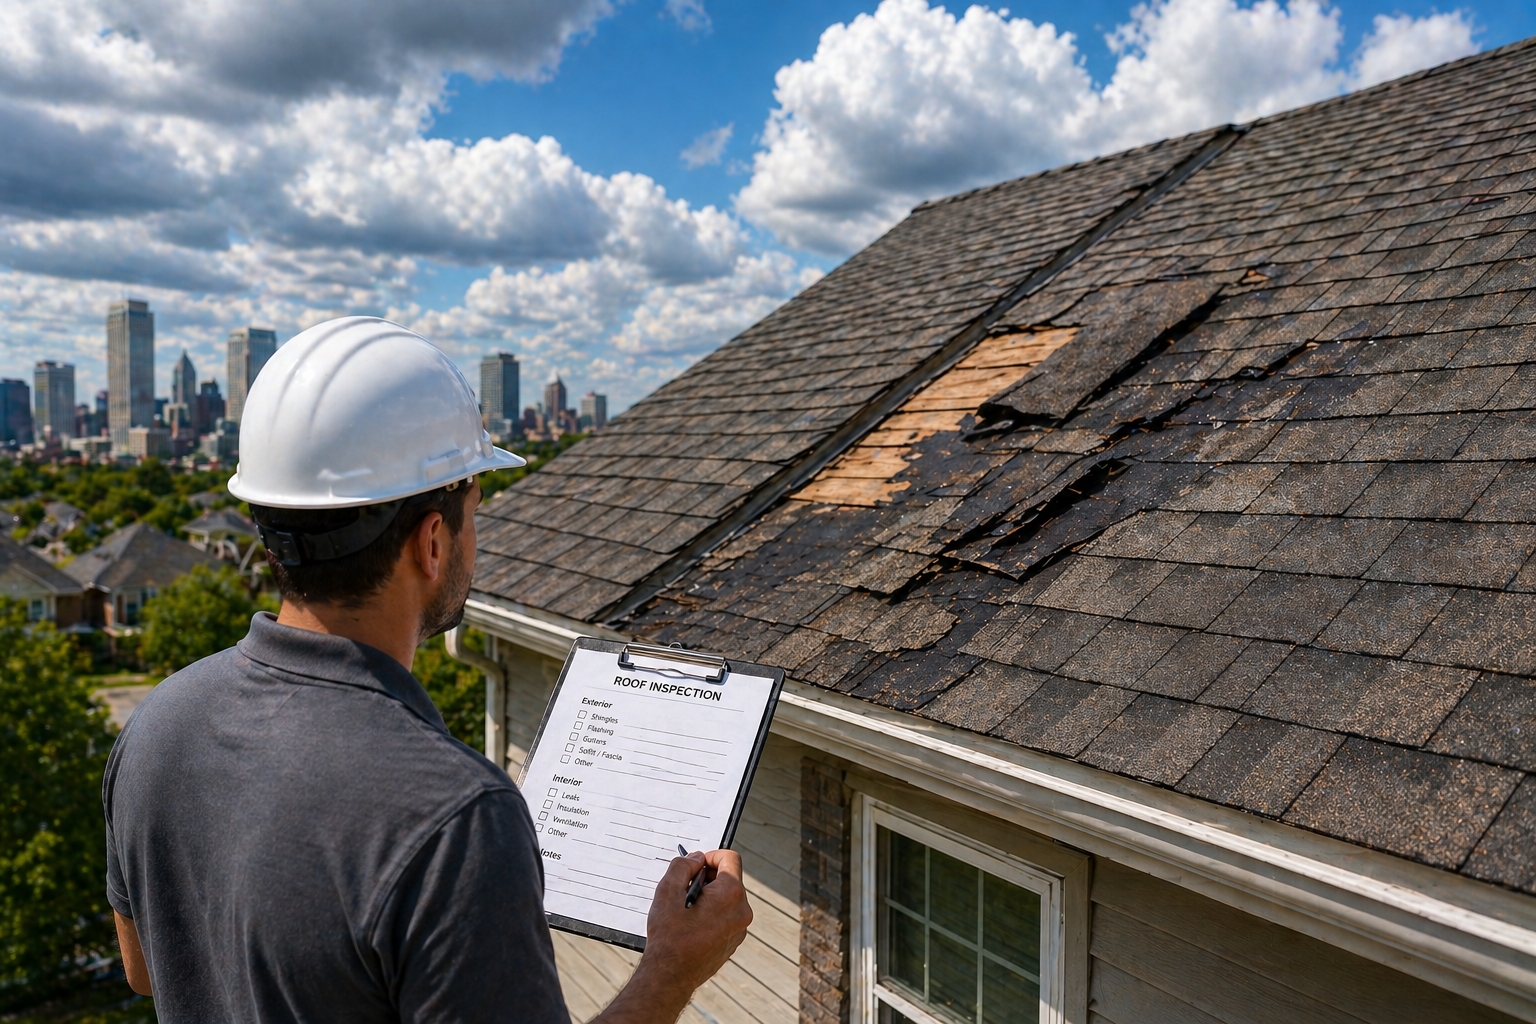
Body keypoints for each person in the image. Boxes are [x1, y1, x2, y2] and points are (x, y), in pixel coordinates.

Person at [103, 317, 752, 1022]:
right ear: (433, 541)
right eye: (475, 508)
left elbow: (145, 968)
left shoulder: (157, 726)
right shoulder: (456, 818)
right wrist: (672, 968)